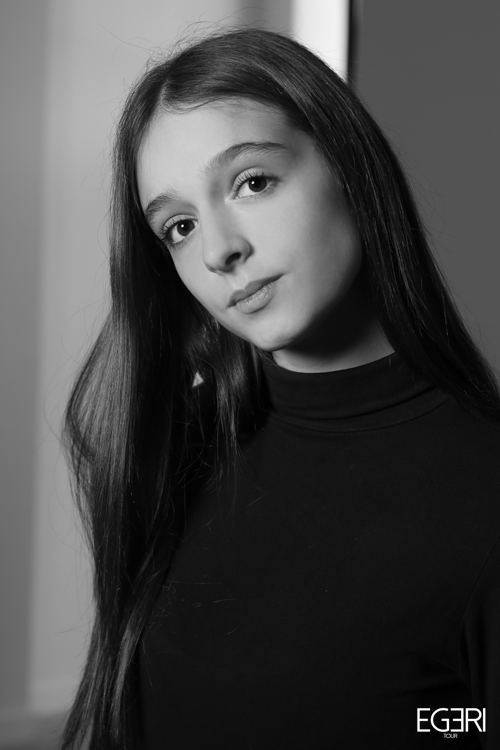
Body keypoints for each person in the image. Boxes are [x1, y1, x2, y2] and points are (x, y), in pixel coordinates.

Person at [61, 27, 500, 750]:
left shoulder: (482, 494)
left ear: (349, 167)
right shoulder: (183, 451)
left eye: (253, 182)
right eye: (179, 226)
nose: (218, 250)